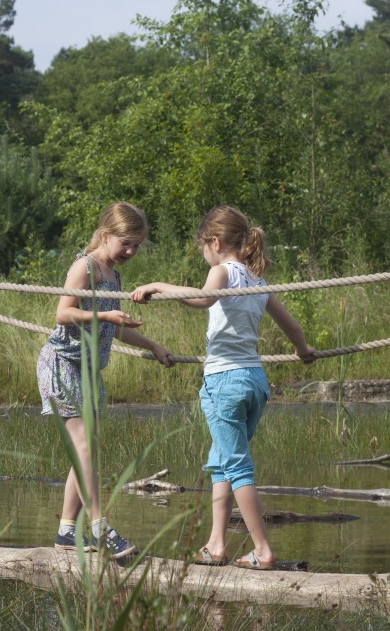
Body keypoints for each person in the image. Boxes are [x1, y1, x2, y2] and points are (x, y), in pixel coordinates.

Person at [131, 205, 316, 570]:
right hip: (254, 382)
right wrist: (303, 350)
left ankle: (262, 550)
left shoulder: (222, 272)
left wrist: (157, 286)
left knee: (237, 465)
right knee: (222, 463)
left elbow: (202, 299)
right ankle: (216, 544)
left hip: (225, 382)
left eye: (203, 247)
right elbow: (291, 325)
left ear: (214, 242)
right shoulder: (258, 281)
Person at [39, 201, 174, 559]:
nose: (131, 251)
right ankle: (101, 527)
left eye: (137, 245)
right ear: (106, 234)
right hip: (63, 366)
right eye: (126, 243)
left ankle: (67, 532)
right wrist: (105, 314)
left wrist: (153, 345)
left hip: (88, 372)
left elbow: (114, 331)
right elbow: (63, 312)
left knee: (88, 451)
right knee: (83, 449)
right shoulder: (85, 267)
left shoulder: (115, 276)